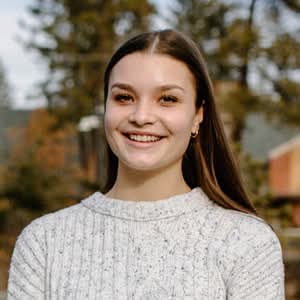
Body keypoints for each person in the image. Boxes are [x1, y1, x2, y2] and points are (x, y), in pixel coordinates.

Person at [7, 29, 284, 299]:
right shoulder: (43, 243)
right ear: (106, 107)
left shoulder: (247, 243)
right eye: (124, 97)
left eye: (167, 99)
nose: (141, 116)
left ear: (198, 115)